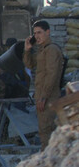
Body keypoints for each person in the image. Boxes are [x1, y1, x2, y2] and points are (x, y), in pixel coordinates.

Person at [23, 20, 64, 148]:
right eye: (35, 33)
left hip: (48, 97)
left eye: (39, 32)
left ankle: (48, 156)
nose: (37, 36)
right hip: (42, 96)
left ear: (48, 32)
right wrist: (27, 50)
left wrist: (44, 97)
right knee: (44, 130)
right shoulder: (42, 50)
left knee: (47, 130)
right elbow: (30, 64)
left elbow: (52, 75)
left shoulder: (51, 50)